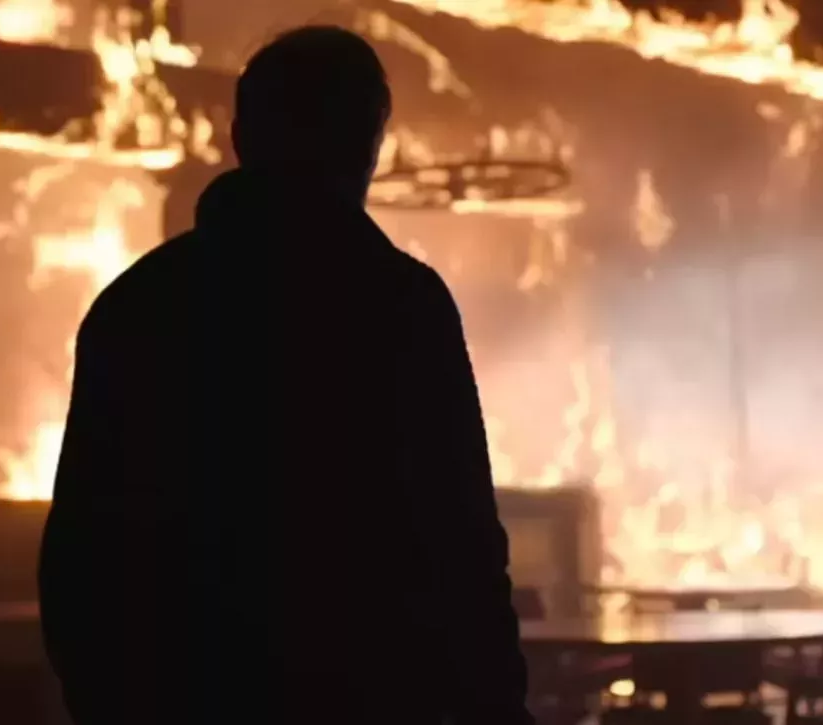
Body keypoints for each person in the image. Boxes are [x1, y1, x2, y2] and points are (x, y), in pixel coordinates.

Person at [38, 25, 531, 725]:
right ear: (369, 145)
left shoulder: (136, 307)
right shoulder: (400, 306)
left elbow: (81, 557)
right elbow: (462, 545)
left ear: (240, 138)